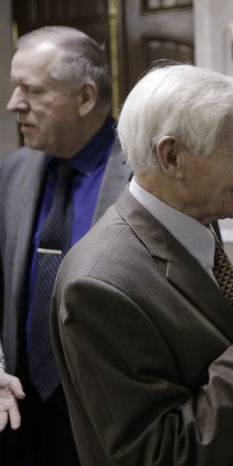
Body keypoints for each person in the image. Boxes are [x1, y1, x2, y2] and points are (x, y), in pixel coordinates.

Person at [50, 64, 233, 465]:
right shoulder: (97, 283)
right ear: (172, 157)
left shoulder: (194, 221)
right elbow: (161, 453)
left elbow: (213, 350)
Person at [0, 26, 131, 464]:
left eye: (33, 90)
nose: (14, 103)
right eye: (16, 87)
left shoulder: (152, 176)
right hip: (20, 419)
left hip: (114, 427)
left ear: (86, 97)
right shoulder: (13, 171)